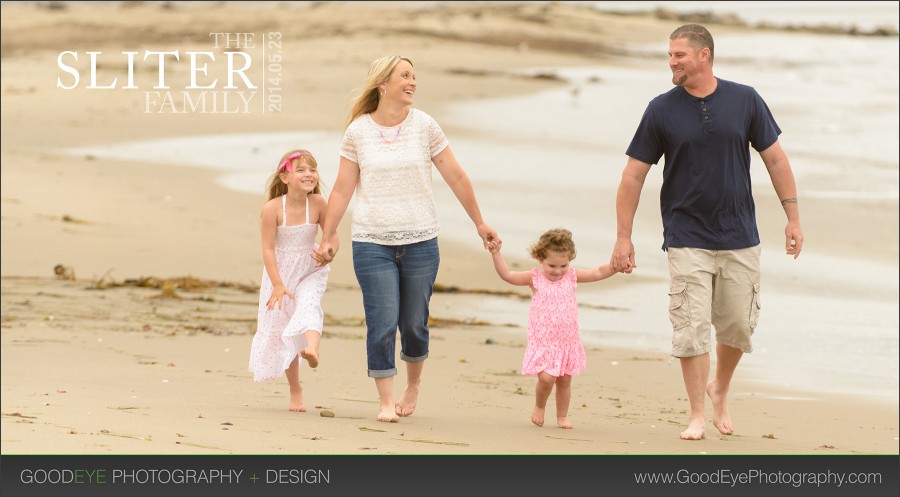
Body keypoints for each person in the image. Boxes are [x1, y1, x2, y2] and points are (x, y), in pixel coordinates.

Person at [610, 24, 804, 440]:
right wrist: (623, 236)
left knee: (737, 325)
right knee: (691, 326)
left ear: (704, 55)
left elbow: (775, 159)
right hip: (685, 235)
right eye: (669, 55)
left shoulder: (745, 99)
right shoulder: (661, 109)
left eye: (679, 54)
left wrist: (793, 216)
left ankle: (721, 388)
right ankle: (697, 413)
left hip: (739, 234)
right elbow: (633, 175)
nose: (672, 62)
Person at [312, 55, 499, 423]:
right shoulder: (358, 132)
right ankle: (386, 401)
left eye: (414, 76)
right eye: (405, 76)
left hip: (421, 241)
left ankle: (413, 384)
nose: (412, 82)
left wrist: (479, 223)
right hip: (371, 242)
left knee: (414, 322)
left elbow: (456, 177)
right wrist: (328, 235)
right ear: (383, 84)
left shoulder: (425, 126)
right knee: (381, 321)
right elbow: (341, 190)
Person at [489, 229, 615, 429]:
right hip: (544, 340)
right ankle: (540, 405)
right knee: (547, 378)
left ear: (570, 260)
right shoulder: (534, 278)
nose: (558, 270)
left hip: (567, 340)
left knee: (565, 380)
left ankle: (562, 416)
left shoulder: (572, 276)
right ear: (540, 258)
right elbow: (508, 275)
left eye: (563, 265)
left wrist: (616, 266)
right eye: (552, 266)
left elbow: (598, 272)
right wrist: (496, 253)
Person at [248, 149, 337, 412]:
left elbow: (332, 236)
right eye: (301, 170)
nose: (309, 174)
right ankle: (295, 389)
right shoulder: (273, 209)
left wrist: (329, 251)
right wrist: (277, 283)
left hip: (310, 269)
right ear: (284, 177)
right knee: (283, 329)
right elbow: (267, 249)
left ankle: (311, 348)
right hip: (281, 275)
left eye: (312, 169)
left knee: (309, 304)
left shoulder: (319, 204)